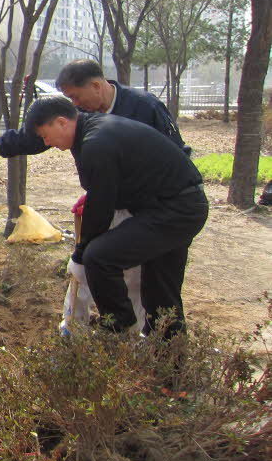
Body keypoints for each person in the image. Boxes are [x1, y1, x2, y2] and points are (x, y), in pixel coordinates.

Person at [25, 96, 208, 337]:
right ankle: (168, 359)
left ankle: (117, 327)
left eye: (44, 135)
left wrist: (80, 255)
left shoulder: (95, 142)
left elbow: (101, 207)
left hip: (175, 210)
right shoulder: (92, 130)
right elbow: (107, 192)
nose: (46, 142)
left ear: (60, 122)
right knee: (160, 291)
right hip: (177, 205)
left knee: (99, 257)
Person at [0, 58, 189, 174]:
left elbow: (175, 152)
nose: (74, 105)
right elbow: (38, 136)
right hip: (108, 193)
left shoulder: (144, 107)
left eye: (76, 97)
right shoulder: (78, 113)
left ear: (97, 86)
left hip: (149, 198)